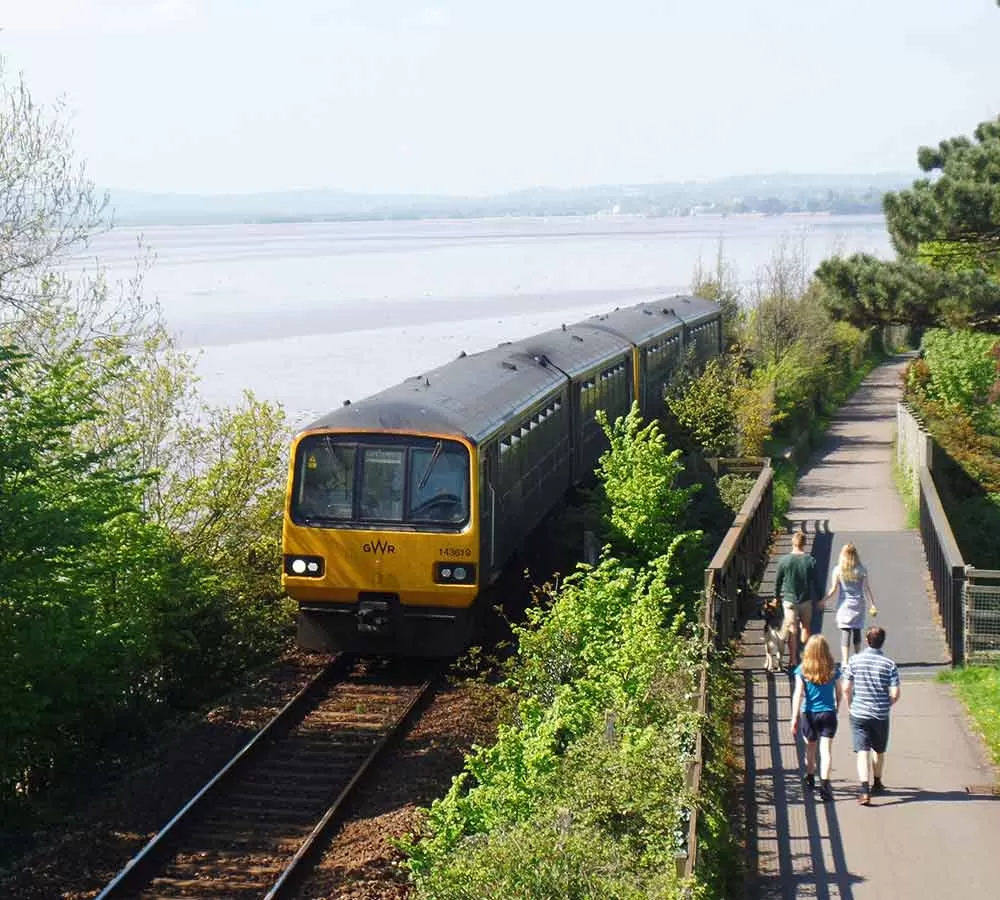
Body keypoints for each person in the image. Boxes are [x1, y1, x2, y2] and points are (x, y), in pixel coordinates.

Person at [844, 626, 901, 806]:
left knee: (862, 751)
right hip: (880, 714)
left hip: (859, 712)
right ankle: (877, 781)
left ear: (867, 640)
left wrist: (850, 704)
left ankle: (864, 789)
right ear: (882, 642)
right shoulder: (889, 664)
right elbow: (895, 693)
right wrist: (887, 704)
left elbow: (846, 687)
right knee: (879, 749)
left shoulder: (854, 660)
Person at [790, 634, 842, 802]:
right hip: (828, 712)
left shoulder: (802, 669)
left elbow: (798, 694)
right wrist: (837, 706)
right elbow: (839, 691)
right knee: (826, 751)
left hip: (809, 713)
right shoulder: (832, 668)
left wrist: (794, 717)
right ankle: (825, 785)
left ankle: (810, 776)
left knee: (810, 748)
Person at [820, 543, 878, 668]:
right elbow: (866, 589)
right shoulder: (861, 569)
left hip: (844, 604)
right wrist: (872, 604)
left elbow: (833, 589)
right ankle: (857, 657)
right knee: (857, 631)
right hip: (858, 603)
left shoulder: (838, 570)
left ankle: (845, 661)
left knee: (845, 632)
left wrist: (824, 600)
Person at [773, 530, 820, 668]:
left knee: (792, 630)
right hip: (805, 600)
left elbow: (778, 581)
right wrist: (820, 597)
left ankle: (792, 659)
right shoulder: (810, 561)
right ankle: (805, 656)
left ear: (792, 543)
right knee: (805, 627)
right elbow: (816, 581)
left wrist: (776, 597)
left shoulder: (784, 561)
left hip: (789, 600)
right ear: (804, 544)